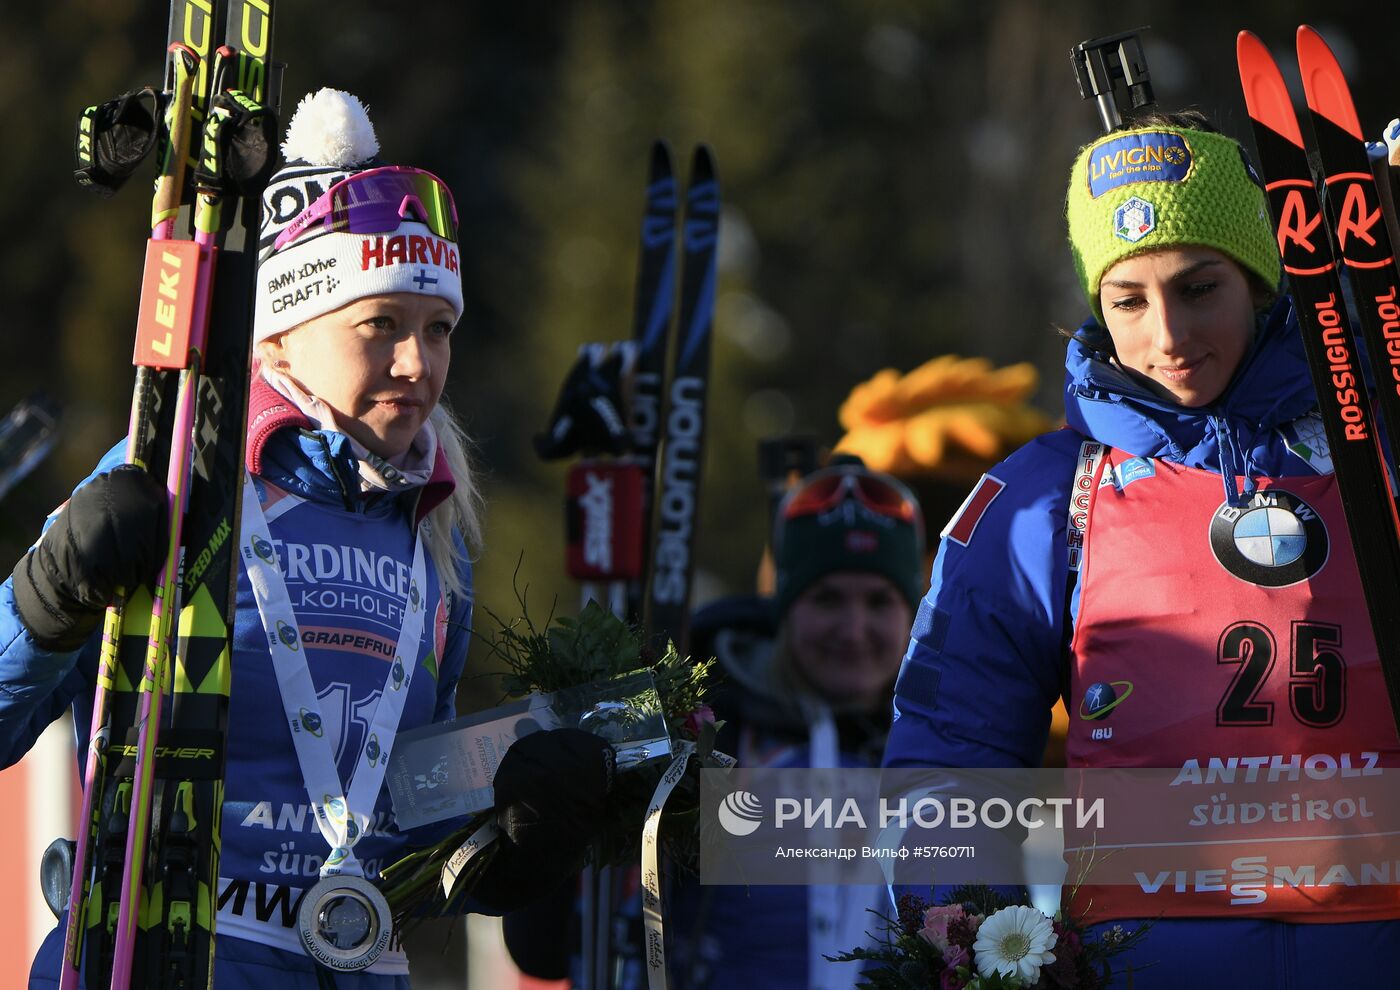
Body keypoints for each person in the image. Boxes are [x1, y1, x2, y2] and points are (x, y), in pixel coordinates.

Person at [3, 88, 612, 988]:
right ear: (282, 336)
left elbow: (399, 803)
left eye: (438, 329)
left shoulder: (438, 529)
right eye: (381, 326)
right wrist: (43, 599)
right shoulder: (177, 468)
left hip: (355, 959)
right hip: (168, 956)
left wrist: (510, 831)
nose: (418, 363)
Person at [883, 109, 1400, 986]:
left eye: (1201, 290)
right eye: (1129, 300)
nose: (1168, 337)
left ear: (1262, 280)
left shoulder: (1377, 449)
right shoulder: (1046, 496)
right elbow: (951, 751)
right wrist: (977, 938)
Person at [667, 457, 927, 990]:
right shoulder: (713, 732)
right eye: (827, 599)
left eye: (880, 601)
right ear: (785, 609)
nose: (854, 629)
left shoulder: (941, 750)